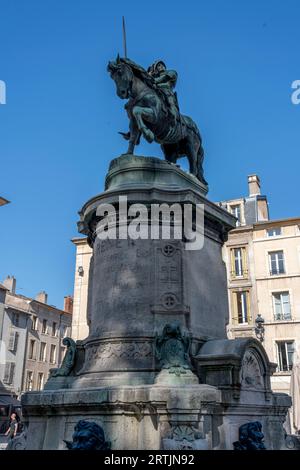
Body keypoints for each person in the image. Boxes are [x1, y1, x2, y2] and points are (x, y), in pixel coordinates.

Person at [148, 60, 179, 124]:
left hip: (167, 92)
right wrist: (149, 75)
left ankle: (174, 116)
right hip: (158, 93)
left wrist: (152, 80)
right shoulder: (155, 77)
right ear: (156, 69)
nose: (161, 66)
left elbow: (165, 79)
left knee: (170, 102)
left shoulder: (171, 72)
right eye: (158, 66)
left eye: (162, 65)